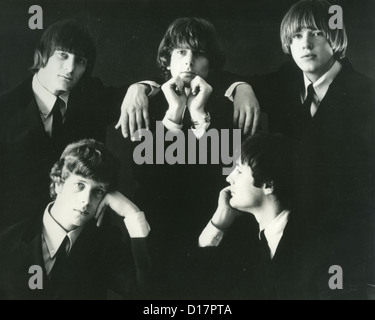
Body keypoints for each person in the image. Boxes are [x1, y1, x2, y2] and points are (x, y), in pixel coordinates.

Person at [232, 0, 374, 299]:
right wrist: (241, 88)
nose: (305, 44)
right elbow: (228, 79)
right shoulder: (285, 80)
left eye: (316, 33)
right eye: (296, 36)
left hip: (346, 240)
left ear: (335, 38)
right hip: (292, 235)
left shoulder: (366, 94)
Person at [130, 17, 245, 299]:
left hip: (216, 236)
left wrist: (199, 117)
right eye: (181, 52)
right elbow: (147, 182)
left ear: (211, 64)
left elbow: (225, 173)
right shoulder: (144, 104)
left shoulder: (226, 108)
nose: (189, 62)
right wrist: (172, 115)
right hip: (159, 241)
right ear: (167, 59)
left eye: (199, 53)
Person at [0, 19, 150, 227]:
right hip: (17, 236)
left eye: (80, 61)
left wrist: (139, 88)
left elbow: (147, 90)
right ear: (43, 54)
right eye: (63, 55)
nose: (70, 68)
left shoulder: (92, 95)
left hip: (84, 233)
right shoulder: (6, 108)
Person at [0, 139, 151, 300]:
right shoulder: (7, 240)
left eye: (98, 191)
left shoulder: (105, 245)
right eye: (80, 185)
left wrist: (132, 214)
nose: (86, 200)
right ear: (58, 183)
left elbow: (148, 296)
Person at [196, 133, 318, 299]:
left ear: (268, 184)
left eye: (238, 170)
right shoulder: (244, 238)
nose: (229, 177)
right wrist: (220, 220)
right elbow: (197, 282)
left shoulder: (314, 241)